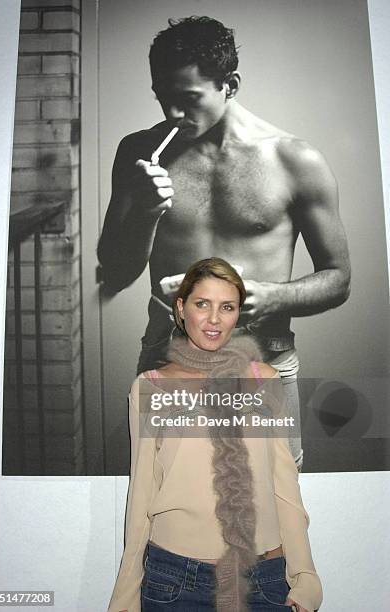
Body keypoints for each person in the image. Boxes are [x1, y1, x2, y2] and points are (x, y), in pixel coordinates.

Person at [97, 16, 351, 470]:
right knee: (162, 506)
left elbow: (338, 278)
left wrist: (271, 297)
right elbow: (116, 272)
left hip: (262, 359)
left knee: (270, 509)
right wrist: (147, 213)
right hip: (169, 354)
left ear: (229, 85)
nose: (173, 114)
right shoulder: (138, 153)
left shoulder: (294, 159)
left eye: (188, 99)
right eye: (163, 98)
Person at [107, 258, 323, 612]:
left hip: (263, 580)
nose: (213, 319)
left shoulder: (264, 380)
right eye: (201, 304)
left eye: (227, 307)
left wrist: (305, 574)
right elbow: (142, 494)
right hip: (175, 582)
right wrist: (126, 596)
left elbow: (284, 487)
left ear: (238, 314)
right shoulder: (151, 387)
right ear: (181, 307)